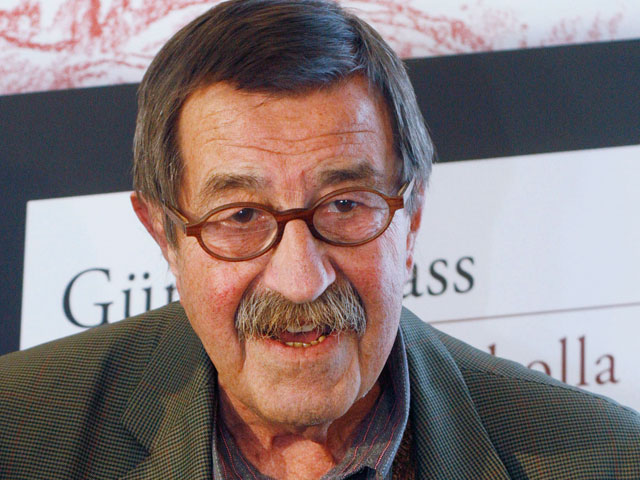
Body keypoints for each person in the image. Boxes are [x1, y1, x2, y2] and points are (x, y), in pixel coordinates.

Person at [1, 1, 639, 479]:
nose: (301, 280)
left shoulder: (603, 459)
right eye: (241, 216)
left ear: (412, 218)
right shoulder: (18, 432)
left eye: (344, 206)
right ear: (163, 234)